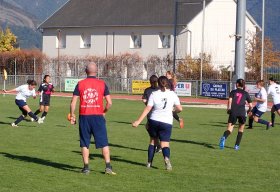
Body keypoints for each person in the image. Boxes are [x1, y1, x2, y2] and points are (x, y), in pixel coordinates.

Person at [69, 62, 116, 175]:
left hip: (84, 117)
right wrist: (104, 112)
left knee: (85, 143)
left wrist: (72, 115)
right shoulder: (102, 84)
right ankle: (108, 167)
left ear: (86, 71)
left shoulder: (80, 84)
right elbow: (109, 103)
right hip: (98, 117)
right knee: (104, 142)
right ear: (96, 71)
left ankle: (86, 168)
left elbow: (73, 103)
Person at [132, 76, 183, 171]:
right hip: (167, 122)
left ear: (158, 84)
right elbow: (180, 109)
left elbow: (148, 109)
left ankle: (149, 163)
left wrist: (138, 121)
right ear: (167, 83)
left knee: (153, 142)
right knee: (165, 144)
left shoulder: (154, 94)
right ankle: (166, 159)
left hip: (154, 120)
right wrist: (173, 109)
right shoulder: (173, 94)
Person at [219, 79, 252, 150]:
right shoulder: (246, 93)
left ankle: (224, 137)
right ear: (243, 85)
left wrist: (228, 108)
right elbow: (251, 105)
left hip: (233, 112)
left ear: (237, 84)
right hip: (242, 113)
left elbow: (230, 100)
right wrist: (249, 111)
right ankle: (236, 146)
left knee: (229, 129)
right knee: (241, 129)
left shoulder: (233, 92)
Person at [142, 75, 161, 153]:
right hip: (159, 112)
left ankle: (158, 146)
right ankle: (159, 146)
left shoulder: (147, 90)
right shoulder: (160, 90)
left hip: (151, 113)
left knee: (150, 130)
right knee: (153, 129)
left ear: (150, 81)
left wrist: (147, 104)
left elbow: (144, 100)